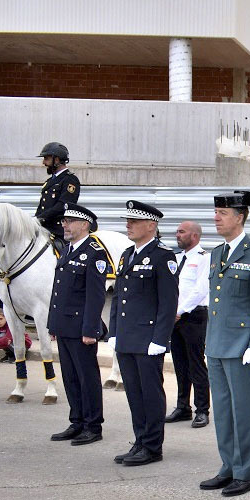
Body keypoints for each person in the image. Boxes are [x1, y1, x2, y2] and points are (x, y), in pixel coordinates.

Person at [199, 191, 250, 497]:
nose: (216, 217)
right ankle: (228, 466)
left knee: (243, 411)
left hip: (242, 346)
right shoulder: (216, 253)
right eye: (216, 212)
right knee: (224, 411)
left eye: (223, 213)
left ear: (239, 217)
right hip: (217, 344)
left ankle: (246, 473)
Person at [109, 200, 178, 467]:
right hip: (127, 337)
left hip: (148, 339)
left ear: (151, 225)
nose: (128, 225)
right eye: (128, 221)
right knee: (134, 393)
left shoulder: (163, 256)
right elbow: (118, 297)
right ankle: (139, 440)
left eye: (134, 221)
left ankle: (152, 446)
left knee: (150, 393)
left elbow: (168, 302)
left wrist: (160, 340)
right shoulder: (128, 254)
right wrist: (114, 331)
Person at [47, 204, 111, 446]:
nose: (64, 224)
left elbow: (95, 297)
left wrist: (90, 330)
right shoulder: (66, 250)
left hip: (81, 328)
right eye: (64, 221)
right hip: (64, 325)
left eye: (69, 221)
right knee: (71, 377)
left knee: (87, 377)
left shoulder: (94, 253)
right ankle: (77, 421)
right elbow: (59, 292)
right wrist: (53, 324)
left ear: (84, 224)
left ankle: (93, 425)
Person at [166, 221, 211, 429]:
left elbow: (200, 290)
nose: (177, 235)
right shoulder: (175, 258)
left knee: (196, 364)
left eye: (181, 232)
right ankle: (183, 407)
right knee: (180, 364)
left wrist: (180, 311)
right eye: (177, 231)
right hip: (175, 318)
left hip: (193, 316)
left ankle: (202, 410)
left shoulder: (204, 258)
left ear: (194, 236)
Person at [35, 142, 80, 244]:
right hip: (44, 228)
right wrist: (35, 221)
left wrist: (41, 218)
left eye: (46, 158)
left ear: (57, 160)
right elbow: (42, 206)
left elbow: (62, 206)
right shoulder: (49, 181)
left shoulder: (70, 180)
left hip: (59, 230)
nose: (43, 162)